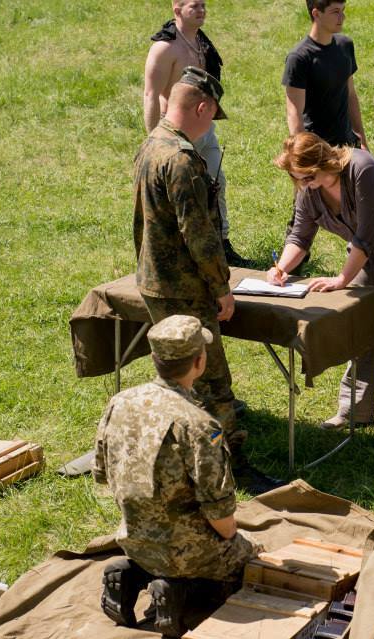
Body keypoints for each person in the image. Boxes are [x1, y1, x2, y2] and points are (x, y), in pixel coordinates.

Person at [95, 315, 261, 638]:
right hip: (185, 549)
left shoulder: (119, 403)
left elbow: (103, 475)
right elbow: (222, 521)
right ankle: (178, 592)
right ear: (199, 362)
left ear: (155, 359)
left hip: (133, 537)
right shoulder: (199, 425)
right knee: (249, 555)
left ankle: (137, 573)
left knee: (170, 551)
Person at [268, 133, 374, 432]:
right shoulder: (307, 187)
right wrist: (280, 267)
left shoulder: (362, 169)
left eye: (306, 177)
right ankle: (355, 411)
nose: (301, 184)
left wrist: (342, 279)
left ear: (323, 162)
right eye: (296, 178)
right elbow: (300, 237)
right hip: (365, 255)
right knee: (360, 324)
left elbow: (366, 234)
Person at [134, 67, 244, 444]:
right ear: (202, 107)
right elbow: (198, 234)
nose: (211, 126)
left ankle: (181, 452)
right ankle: (227, 462)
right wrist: (221, 287)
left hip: (155, 281)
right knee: (211, 382)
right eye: (213, 116)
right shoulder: (182, 159)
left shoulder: (150, 145)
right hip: (186, 288)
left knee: (175, 378)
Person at [143, 0, 250, 267]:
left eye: (203, 5)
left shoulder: (203, 43)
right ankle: (180, 250)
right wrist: (155, 141)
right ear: (177, 10)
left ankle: (223, 245)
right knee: (182, 191)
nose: (201, 10)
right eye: (194, 6)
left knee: (216, 183)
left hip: (204, 129)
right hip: (176, 134)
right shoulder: (164, 49)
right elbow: (151, 95)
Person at [283, 0, 367, 149]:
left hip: (349, 146)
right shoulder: (299, 58)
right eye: (335, 12)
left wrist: (362, 141)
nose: (342, 17)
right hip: (319, 150)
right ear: (316, 14)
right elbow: (294, 114)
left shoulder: (345, 46)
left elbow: (351, 95)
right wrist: (307, 158)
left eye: (343, 10)